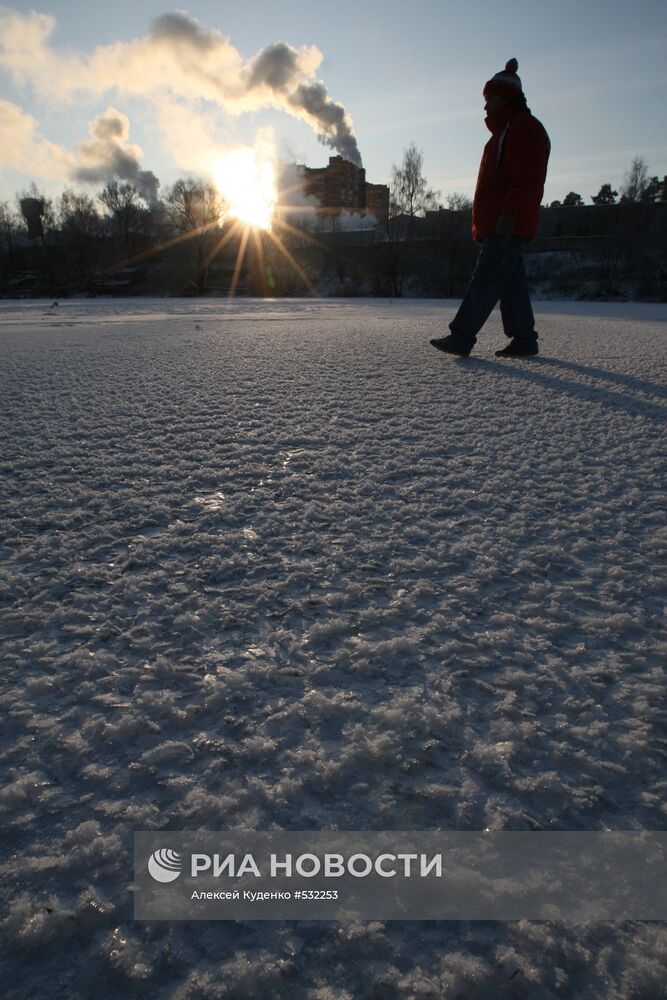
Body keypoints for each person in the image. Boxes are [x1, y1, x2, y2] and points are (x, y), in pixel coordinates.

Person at [431, 58, 550, 358]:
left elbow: (528, 180)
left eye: (490, 100)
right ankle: (524, 339)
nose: (485, 107)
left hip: (507, 224)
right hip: (499, 223)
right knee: (512, 284)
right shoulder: (503, 133)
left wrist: (509, 216)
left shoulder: (524, 129)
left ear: (506, 98)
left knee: (485, 280)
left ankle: (462, 335)